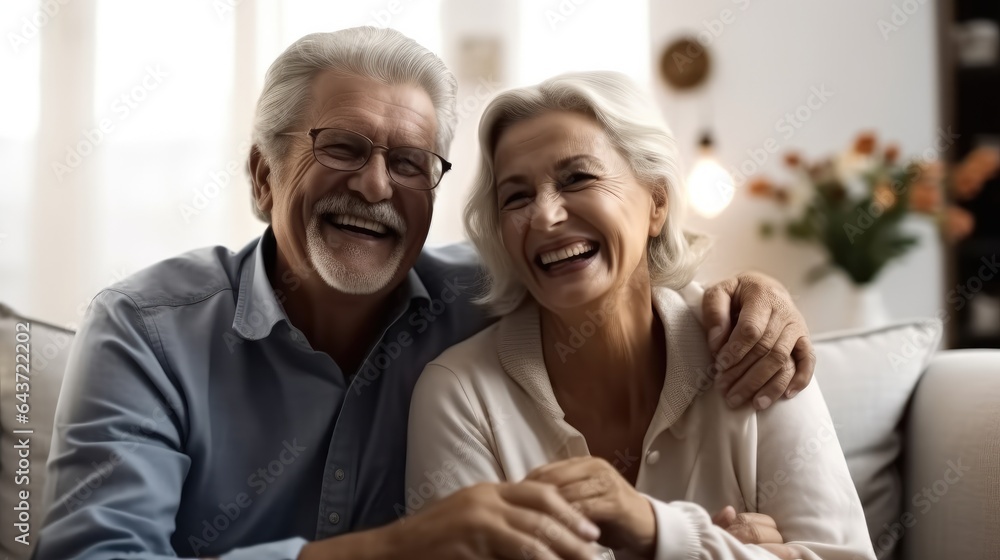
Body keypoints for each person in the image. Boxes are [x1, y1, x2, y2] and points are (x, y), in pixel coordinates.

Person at [36, 29, 815, 560]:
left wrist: (750, 297)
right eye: (340, 147)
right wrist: (395, 550)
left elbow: (615, 276)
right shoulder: (144, 331)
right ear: (263, 176)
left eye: (410, 161)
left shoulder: (488, 302)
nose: (375, 184)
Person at [405, 71, 875, 560]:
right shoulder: (460, 393)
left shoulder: (753, 344)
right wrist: (703, 547)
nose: (544, 216)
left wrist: (653, 529)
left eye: (578, 178)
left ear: (657, 201)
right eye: (516, 197)